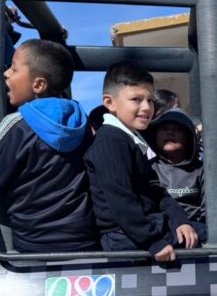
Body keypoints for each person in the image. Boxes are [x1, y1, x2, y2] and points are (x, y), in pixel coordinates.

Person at [0, 40, 98, 253]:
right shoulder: (83, 126)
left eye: (13, 68)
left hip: (35, 245)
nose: (6, 74)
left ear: (38, 85)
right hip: (84, 240)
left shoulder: (17, 126)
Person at [84, 63, 198, 261]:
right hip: (124, 236)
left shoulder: (130, 140)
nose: (146, 107)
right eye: (136, 99)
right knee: (213, 239)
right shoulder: (110, 142)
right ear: (110, 103)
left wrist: (181, 221)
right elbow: (121, 202)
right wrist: (153, 242)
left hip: (144, 227)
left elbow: (156, 190)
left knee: (199, 232)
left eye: (150, 100)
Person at [146, 108, 207, 242]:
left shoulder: (202, 170)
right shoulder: (146, 168)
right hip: (160, 233)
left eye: (177, 129)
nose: (170, 132)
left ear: (189, 137)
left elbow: (208, 215)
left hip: (196, 235)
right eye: (164, 128)